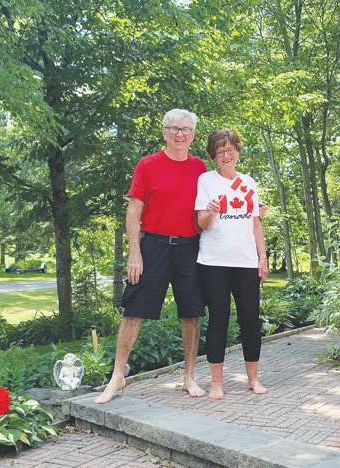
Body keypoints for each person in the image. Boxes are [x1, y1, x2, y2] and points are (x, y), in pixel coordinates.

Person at [95, 109, 208, 403]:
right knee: (134, 309)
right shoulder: (148, 165)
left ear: (193, 135)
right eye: (174, 129)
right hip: (153, 246)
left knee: (191, 313)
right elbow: (133, 210)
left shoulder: (200, 168)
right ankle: (117, 376)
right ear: (164, 132)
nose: (180, 134)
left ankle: (189, 376)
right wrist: (135, 253)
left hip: (190, 248)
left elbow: (214, 205)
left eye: (186, 129)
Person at [195, 128, 269, 400]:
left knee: (250, 320)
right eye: (219, 152)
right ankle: (216, 383)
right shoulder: (206, 181)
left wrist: (262, 258)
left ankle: (253, 378)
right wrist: (211, 212)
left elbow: (255, 223)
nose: (225, 155)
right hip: (214, 262)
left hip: (246, 262)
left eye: (229, 150)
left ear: (237, 150)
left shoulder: (248, 182)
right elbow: (201, 223)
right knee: (219, 320)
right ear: (214, 156)